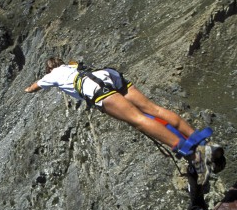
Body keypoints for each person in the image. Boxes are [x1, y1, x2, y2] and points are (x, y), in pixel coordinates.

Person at [25, 57, 225, 184]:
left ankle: (194, 156)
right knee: (153, 109)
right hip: (107, 75)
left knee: (138, 120)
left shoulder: (51, 75)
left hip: (95, 89)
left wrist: (28, 89)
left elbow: (35, 86)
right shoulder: (71, 65)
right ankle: (203, 143)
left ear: (49, 69)